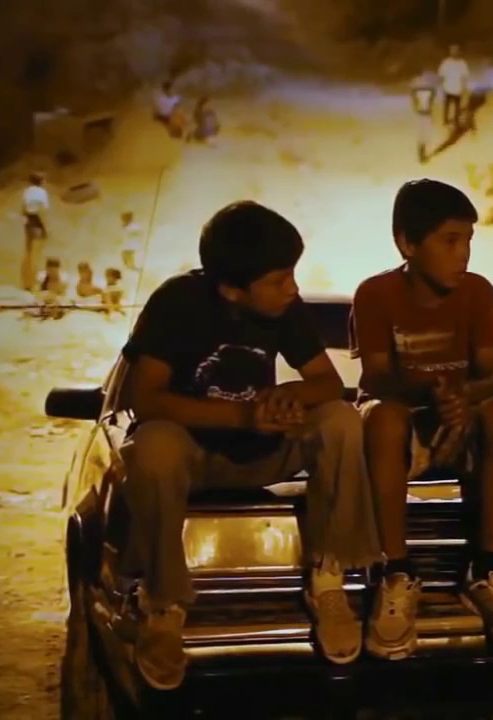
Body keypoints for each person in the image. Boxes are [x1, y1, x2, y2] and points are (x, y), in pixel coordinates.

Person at [119, 201, 384, 689]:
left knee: (340, 420)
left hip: (265, 453)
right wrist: (242, 415)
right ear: (231, 289)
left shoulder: (285, 309)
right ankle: (162, 603)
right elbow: (145, 398)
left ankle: (328, 580)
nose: (293, 289)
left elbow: (327, 383)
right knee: (152, 444)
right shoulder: (177, 303)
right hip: (195, 459)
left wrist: (291, 396)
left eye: (293, 275)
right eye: (279, 280)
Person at [351, 179, 493, 659]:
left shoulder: (478, 292)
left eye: (468, 241)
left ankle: (490, 565)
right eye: (450, 241)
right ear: (408, 244)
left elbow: (490, 375)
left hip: (460, 419)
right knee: (382, 420)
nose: (464, 254)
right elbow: (375, 377)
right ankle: (395, 569)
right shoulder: (375, 293)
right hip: (405, 422)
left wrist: (461, 397)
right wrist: (430, 395)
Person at [20, 173, 50, 292]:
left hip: (28, 221)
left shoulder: (27, 191)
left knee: (28, 252)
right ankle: (34, 282)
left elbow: (23, 209)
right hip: (37, 220)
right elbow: (43, 211)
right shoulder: (41, 192)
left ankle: (26, 282)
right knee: (37, 252)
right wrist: (45, 227)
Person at [438, 44, 471, 128]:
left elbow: (465, 76)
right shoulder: (446, 62)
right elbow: (441, 75)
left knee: (457, 106)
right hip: (447, 88)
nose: (454, 52)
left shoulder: (462, 63)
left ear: (459, 52)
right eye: (452, 50)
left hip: (457, 89)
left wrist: (465, 87)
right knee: (447, 106)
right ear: (450, 52)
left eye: (455, 50)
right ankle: (445, 120)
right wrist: (441, 86)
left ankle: (456, 121)